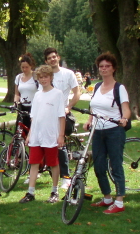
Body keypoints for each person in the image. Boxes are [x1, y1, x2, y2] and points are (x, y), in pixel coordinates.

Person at [86, 52, 130, 214]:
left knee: (115, 165)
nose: (104, 69)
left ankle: (119, 201)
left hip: (114, 131)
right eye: (101, 66)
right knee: (98, 165)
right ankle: (107, 197)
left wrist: (124, 119)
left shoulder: (120, 88)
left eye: (107, 66)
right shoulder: (97, 86)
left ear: (113, 69)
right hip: (97, 132)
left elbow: (126, 110)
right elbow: (94, 107)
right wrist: (89, 120)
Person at [19, 65, 66, 204]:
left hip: (51, 134)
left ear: (51, 77)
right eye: (41, 77)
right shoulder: (38, 95)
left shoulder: (57, 94)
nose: (43, 79)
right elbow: (34, 117)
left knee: (53, 163)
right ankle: (30, 192)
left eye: (46, 77)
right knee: (34, 163)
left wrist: (61, 135)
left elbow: (61, 116)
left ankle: (54, 190)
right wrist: (29, 134)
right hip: (37, 135)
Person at [43, 47, 80, 189]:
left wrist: (68, 107)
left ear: (58, 57)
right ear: (46, 61)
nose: (52, 59)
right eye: (49, 58)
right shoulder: (45, 75)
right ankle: (50, 174)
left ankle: (66, 177)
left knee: (60, 144)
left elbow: (77, 92)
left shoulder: (68, 74)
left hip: (62, 115)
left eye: (54, 56)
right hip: (48, 115)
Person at [14, 52, 38, 129]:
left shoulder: (36, 76)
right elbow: (17, 93)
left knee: (33, 130)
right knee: (21, 131)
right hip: (23, 108)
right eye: (23, 67)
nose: (24, 69)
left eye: (26, 67)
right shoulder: (18, 77)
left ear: (31, 66)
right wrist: (16, 102)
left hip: (34, 107)